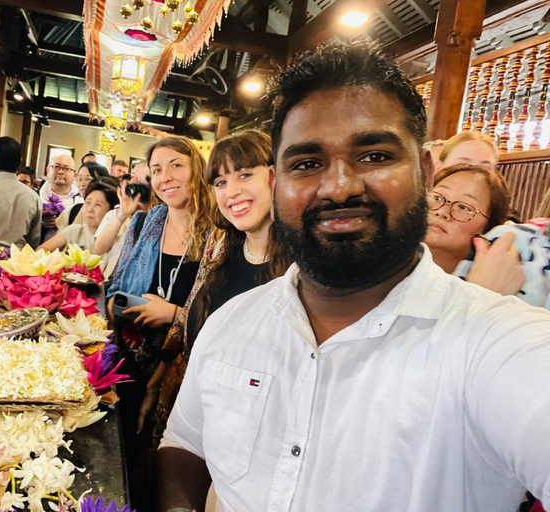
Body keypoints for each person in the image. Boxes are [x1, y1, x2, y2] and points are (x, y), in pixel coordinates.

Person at [158, 40, 550, 512]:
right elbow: (185, 447)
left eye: (375, 156)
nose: (340, 185)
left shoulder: (498, 344)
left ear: (425, 172)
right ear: (279, 182)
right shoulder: (233, 321)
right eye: (307, 163)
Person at [138, 130, 292, 441]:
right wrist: (155, 385)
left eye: (245, 174)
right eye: (220, 182)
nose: (231, 192)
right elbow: (189, 326)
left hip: (250, 434)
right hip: (189, 414)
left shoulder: (299, 267)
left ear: (274, 177)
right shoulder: (219, 245)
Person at [107, 135, 214, 510]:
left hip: (182, 371)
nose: (165, 177)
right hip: (130, 359)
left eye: (176, 165)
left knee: (165, 466)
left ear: (196, 169)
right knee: (125, 454)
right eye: (156, 169)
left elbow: (225, 312)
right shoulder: (143, 223)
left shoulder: (219, 230)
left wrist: (173, 313)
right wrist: (120, 305)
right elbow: (115, 285)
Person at [424, 163, 524, 296]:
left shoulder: (498, 285)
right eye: (437, 198)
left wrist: (484, 293)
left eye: (463, 207)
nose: (442, 211)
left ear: (488, 229)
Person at [38, 179, 119, 253]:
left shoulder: (117, 239)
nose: (90, 209)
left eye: (98, 205)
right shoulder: (76, 230)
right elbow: (41, 250)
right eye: (88, 202)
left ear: (111, 210)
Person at [60, 162, 112, 228]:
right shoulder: (73, 211)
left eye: (88, 179)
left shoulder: (114, 215)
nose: (82, 184)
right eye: (80, 179)